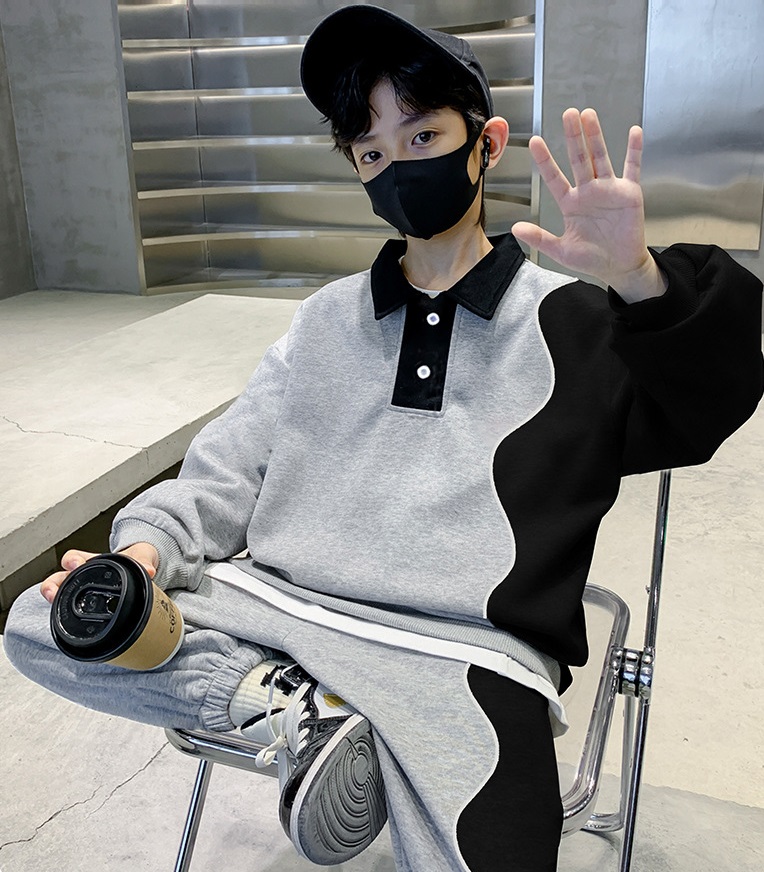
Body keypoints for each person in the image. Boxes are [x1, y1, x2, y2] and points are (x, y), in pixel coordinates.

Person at [4, 5, 763, 871]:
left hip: (462, 654)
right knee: (44, 619)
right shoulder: (325, 320)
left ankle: (311, 716)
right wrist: (146, 550)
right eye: (371, 153)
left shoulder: (576, 320)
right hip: (280, 612)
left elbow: (709, 405)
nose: (397, 166)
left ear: (487, 143)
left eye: (423, 135)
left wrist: (638, 280)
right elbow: (225, 468)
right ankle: (294, 710)